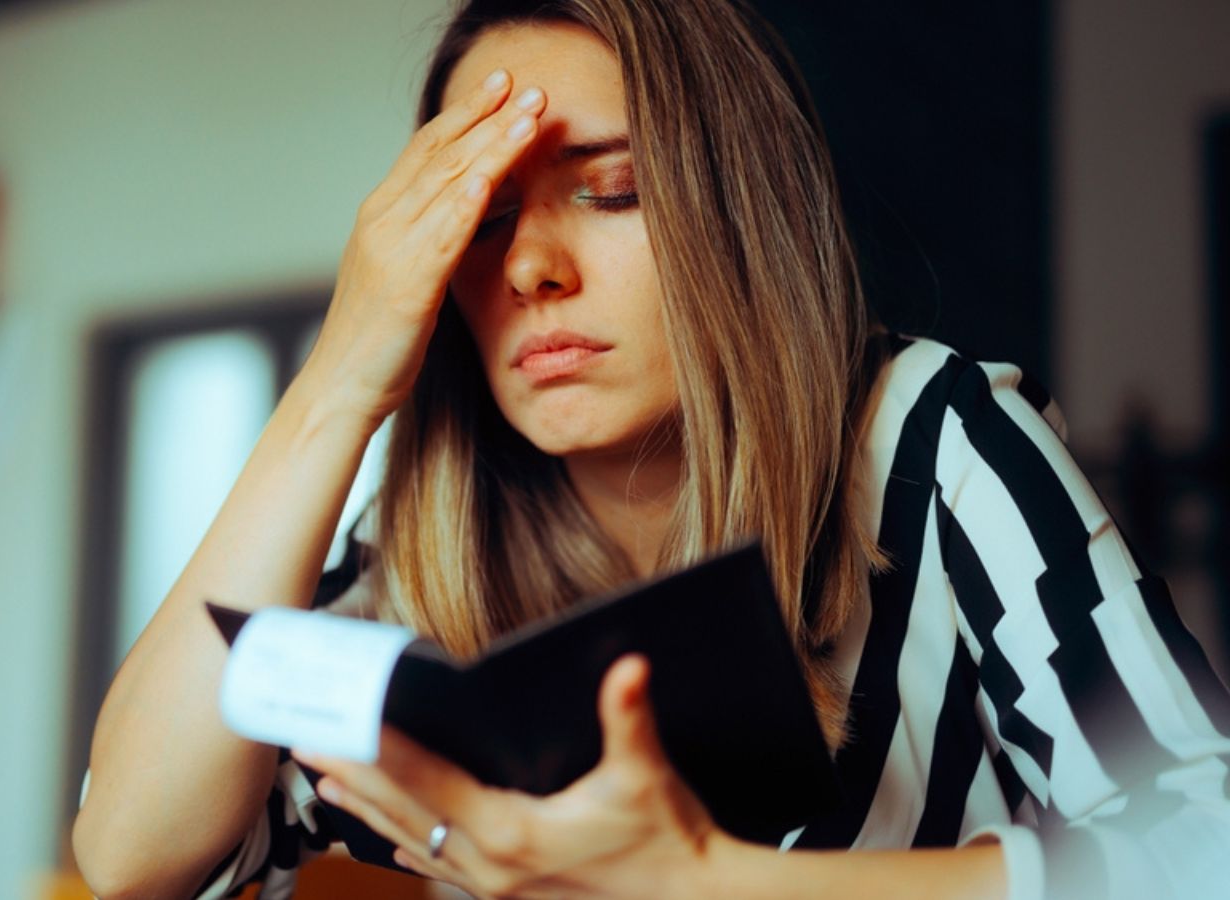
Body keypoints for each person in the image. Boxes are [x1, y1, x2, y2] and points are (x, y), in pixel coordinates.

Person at [71, 0, 1230, 897]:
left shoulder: (931, 438)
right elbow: (133, 858)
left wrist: (711, 886)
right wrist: (335, 383)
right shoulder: (413, 569)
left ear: (735, 214)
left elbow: (1205, 841)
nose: (531, 270)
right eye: (478, 221)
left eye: (613, 191)